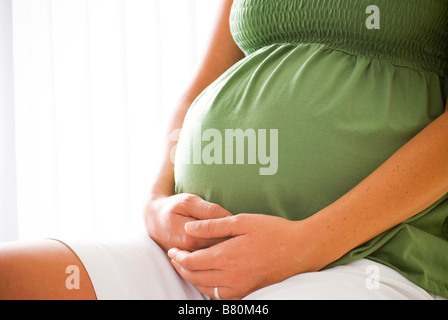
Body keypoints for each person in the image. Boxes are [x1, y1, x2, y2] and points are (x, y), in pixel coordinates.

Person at [1, 0, 447, 300]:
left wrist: (308, 245)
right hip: (194, 257)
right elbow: (203, 82)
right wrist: (155, 200)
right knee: (11, 278)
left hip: (369, 258)